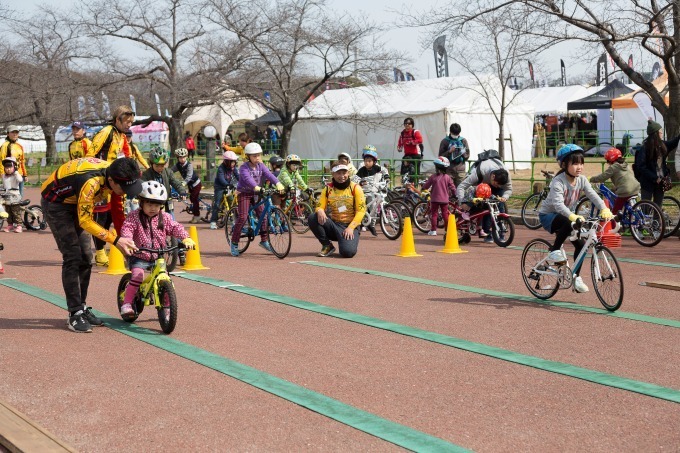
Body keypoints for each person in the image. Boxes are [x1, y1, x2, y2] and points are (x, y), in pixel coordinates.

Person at [41, 157, 142, 333]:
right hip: (56, 204)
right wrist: (116, 240)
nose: (126, 192)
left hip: (77, 201)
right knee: (73, 256)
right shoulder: (92, 183)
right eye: (124, 189)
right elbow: (85, 221)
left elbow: (118, 211)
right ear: (111, 181)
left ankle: (82, 307)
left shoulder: (116, 173)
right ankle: (74, 313)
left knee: (86, 257)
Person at [538, 144, 612, 293]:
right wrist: (572, 215)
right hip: (548, 216)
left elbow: (593, 195)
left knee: (581, 245)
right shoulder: (558, 181)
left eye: (581, 163)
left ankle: (576, 278)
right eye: (575, 163)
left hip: (567, 217)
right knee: (568, 221)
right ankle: (554, 250)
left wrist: (604, 208)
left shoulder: (582, 180)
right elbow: (558, 205)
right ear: (564, 164)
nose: (579, 167)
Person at [118, 181, 195, 318]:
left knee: (166, 279)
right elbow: (127, 228)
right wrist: (128, 240)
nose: (153, 208)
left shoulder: (164, 217)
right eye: (149, 204)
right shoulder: (134, 216)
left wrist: (185, 238)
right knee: (137, 276)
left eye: (157, 205)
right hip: (139, 254)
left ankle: (166, 307)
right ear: (141, 203)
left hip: (158, 255)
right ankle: (127, 303)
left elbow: (175, 227)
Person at [230, 142, 284, 257]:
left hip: (257, 193)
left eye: (258, 155)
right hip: (244, 193)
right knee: (243, 217)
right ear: (247, 156)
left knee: (263, 215)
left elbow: (269, 175)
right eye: (254, 156)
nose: (257, 158)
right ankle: (234, 243)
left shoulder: (261, 165)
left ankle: (264, 240)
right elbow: (247, 179)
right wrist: (256, 187)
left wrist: (278, 183)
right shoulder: (244, 167)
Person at [90, 105, 136, 233]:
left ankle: (123, 241)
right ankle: (99, 252)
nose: (129, 125)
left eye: (131, 122)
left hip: (116, 180)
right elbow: (89, 155)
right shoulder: (106, 132)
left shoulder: (121, 136)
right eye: (127, 122)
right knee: (100, 215)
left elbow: (128, 156)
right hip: (102, 180)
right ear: (117, 119)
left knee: (119, 211)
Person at [308, 160, 366, 257]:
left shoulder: (356, 188)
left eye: (344, 173)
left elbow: (361, 211)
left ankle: (346, 241)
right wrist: (320, 210)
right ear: (333, 174)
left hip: (349, 226)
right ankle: (327, 246)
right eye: (338, 173)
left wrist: (351, 228)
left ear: (348, 173)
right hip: (334, 225)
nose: (342, 176)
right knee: (313, 217)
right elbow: (319, 206)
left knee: (347, 253)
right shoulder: (327, 189)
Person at [456, 158, 512, 242]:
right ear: (493, 177)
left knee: (499, 207)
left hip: (490, 186)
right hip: (480, 186)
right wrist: (462, 202)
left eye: (500, 185)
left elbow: (508, 189)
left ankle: (501, 232)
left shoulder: (505, 176)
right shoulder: (479, 172)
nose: (497, 186)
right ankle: (487, 232)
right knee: (484, 208)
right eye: (497, 184)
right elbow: (461, 186)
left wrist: (504, 197)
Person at [634, 120, 679, 206]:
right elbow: (641, 166)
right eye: (660, 132)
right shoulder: (645, 148)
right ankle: (647, 219)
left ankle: (657, 220)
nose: (662, 133)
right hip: (648, 183)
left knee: (658, 206)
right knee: (646, 207)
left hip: (661, 182)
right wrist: (655, 178)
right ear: (655, 134)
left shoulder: (663, 145)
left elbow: (674, 142)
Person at [589, 147, 640, 215]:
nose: (607, 163)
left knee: (615, 213)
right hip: (635, 187)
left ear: (611, 160)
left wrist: (591, 179)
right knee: (627, 207)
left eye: (608, 161)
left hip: (625, 191)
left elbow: (602, 177)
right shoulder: (626, 164)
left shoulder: (613, 167)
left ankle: (614, 224)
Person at [141, 146, 187, 216]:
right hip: (153, 202)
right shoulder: (146, 174)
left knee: (171, 219)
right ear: (151, 163)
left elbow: (176, 182)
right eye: (157, 166)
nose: (160, 168)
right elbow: (141, 185)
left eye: (162, 166)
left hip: (166, 201)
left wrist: (182, 191)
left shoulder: (168, 172)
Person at [355, 145, 389, 236]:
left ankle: (372, 226)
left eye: (369, 161)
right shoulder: (362, 169)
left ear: (374, 162)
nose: (367, 163)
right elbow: (355, 178)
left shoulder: (376, 168)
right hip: (362, 192)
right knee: (361, 208)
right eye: (365, 161)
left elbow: (385, 170)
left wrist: (386, 176)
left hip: (372, 192)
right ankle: (358, 225)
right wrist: (360, 182)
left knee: (374, 208)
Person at [419, 157, 456, 236]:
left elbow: (426, 185)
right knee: (445, 214)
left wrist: (423, 188)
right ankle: (447, 230)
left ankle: (433, 230)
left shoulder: (433, 177)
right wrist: (455, 194)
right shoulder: (447, 177)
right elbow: (453, 187)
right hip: (445, 199)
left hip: (435, 199)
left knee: (434, 214)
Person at [210, 150, 240, 229]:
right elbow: (221, 178)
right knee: (217, 204)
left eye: (234, 162)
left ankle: (232, 219)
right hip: (220, 187)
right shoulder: (221, 168)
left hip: (228, 186)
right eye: (232, 162)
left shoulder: (233, 168)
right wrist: (227, 184)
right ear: (227, 162)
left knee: (231, 202)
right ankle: (213, 221)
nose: (233, 164)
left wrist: (243, 182)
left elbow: (238, 176)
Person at [171, 148, 202, 223]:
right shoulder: (178, 165)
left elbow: (189, 176)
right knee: (191, 198)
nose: (182, 159)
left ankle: (197, 216)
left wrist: (184, 183)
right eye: (180, 157)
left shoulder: (189, 165)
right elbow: (171, 171)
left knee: (194, 199)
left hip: (196, 184)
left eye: (184, 157)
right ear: (177, 158)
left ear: (187, 157)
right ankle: (195, 212)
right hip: (190, 185)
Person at [0, 125, 27, 196]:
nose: (15, 134)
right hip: (10, 175)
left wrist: (25, 174)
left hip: (19, 174)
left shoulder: (19, 146)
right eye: (12, 132)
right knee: (11, 196)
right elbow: (1, 161)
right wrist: (2, 174)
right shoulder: (5, 146)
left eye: (16, 132)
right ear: (8, 134)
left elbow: (22, 161)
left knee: (20, 196)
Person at [1, 157, 23, 233]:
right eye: (6, 167)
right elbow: (4, 185)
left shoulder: (16, 175)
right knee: (8, 211)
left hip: (15, 196)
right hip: (7, 196)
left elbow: (20, 180)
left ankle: (19, 225)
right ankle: (10, 224)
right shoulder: (3, 176)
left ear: (14, 167)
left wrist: (16, 172)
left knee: (15, 211)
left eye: (10, 167)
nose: (8, 169)